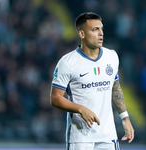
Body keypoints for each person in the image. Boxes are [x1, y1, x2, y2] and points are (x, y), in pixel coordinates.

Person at [50, 12, 134, 150]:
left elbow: (114, 87)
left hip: (108, 136)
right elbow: (55, 97)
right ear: (82, 34)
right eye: (95, 29)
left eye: (101, 29)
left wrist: (125, 118)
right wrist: (80, 109)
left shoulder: (112, 56)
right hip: (80, 138)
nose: (101, 33)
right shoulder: (68, 62)